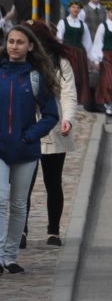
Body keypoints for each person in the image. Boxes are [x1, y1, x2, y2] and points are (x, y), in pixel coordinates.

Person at [0, 25, 60, 274]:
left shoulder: (36, 77)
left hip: (25, 150)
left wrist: (30, 136)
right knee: (1, 200)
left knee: (18, 205)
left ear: (30, 46)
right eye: (11, 41)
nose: (14, 46)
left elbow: (51, 115)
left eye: (20, 42)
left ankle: (10, 256)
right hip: (1, 148)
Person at [23, 21, 77, 248]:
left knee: (53, 182)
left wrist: (68, 119)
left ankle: (53, 230)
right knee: (23, 184)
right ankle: (21, 230)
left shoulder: (60, 63)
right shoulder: (21, 63)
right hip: (26, 129)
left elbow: (68, 94)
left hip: (53, 128)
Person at [55, 1, 94, 109]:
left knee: (79, 77)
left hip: (79, 54)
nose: (75, 9)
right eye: (73, 7)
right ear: (69, 9)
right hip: (67, 53)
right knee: (67, 76)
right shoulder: (63, 22)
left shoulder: (83, 24)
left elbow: (87, 42)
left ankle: (78, 101)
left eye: (77, 8)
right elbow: (59, 38)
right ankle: (65, 99)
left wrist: (90, 58)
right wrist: (59, 53)